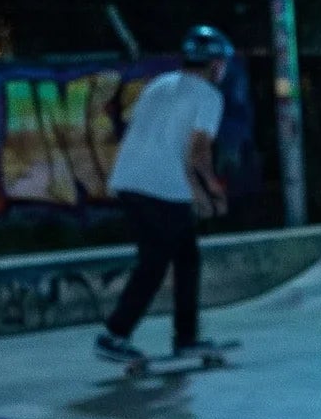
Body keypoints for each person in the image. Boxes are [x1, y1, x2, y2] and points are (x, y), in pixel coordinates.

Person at [94, 26, 232, 372]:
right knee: (155, 262)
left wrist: (197, 194)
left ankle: (185, 337)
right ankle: (114, 334)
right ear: (215, 64)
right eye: (222, 63)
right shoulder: (209, 97)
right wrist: (212, 191)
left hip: (131, 181)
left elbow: (162, 140)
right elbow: (198, 151)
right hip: (161, 188)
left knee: (186, 258)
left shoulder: (160, 85)